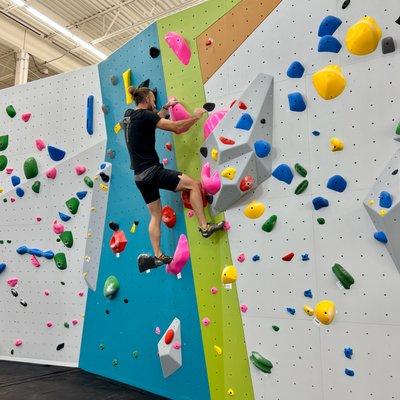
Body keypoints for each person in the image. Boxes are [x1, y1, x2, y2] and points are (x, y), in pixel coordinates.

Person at [123, 86, 224, 267]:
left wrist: (165, 107)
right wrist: (197, 116)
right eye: (153, 99)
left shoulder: (129, 116)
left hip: (139, 177)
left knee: (155, 215)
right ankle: (204, 226)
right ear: (146, 99)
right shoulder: (146, 116)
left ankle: (158, 255)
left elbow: (150, 120)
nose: (155, 102)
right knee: (193, 184)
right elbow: (177, 128)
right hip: (152, 171)